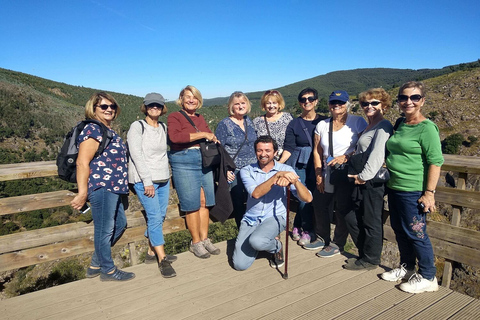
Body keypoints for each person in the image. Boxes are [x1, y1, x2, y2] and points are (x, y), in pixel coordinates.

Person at [381, 81, 443, 294]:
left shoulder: (427, 128)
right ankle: (407, 268)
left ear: (422, 101)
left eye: (414, 97)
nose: (408, 101)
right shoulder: (400, 123)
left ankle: (428, 276)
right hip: (395, 186)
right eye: (403, 97)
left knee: (417, 233)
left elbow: (436, 161)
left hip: (413, 190)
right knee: (400, 230)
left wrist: (429, 193)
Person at [71, 92, 135, 281]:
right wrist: (83, 193)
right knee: (104, 229)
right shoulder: (93, 129)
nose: (109, 109)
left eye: (112, 106)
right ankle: (107, 270)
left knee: (120, 224)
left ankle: (95, 264)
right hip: (103, 187)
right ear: (94, 109)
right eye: (104, 107)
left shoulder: (106, 129)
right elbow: (82, 162)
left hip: (114, 188)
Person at [232, 136, 313, 271]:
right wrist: (276, 176)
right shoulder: (247, 170)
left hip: (275, 217)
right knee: (240, 265)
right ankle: (264, 242)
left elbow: (308, 198)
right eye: (259, 150)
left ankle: (276, 246)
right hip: (251, 218)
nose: (263, 154)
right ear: (255, 152)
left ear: (275, 153)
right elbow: (256, 194)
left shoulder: (286, 169)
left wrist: (295, 182)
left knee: (256, 241)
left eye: (268, 150)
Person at [306, 90, 367, 257]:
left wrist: (345, 157)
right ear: (329, 105)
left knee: (342, 209)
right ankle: (321, 237)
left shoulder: (358, 122)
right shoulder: (322, 125)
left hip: (346, 172)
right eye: (333, 103)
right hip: (326, 172)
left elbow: (363, 148)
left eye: (340, 103)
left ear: (347, 104)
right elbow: (317, 152)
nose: (337, 106)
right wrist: (319, 174)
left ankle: (337, 243)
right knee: (320, 204)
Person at [167, 85, 220, 259]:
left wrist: (210, 136)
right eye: (187, 97)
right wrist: (202, 134)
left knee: (205, 201)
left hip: (204, 160)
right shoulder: (174, 116)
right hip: (183, 160)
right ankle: (195, 242)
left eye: (194, 97)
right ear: (181, 99)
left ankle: (205, 239)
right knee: (192, 203)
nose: (191, 100)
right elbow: (175, 137)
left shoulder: (200, 117)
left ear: (199, 101)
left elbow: (209, 134)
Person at [343, 88, 393, 270]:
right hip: (361, 178)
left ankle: (371, 259)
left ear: (384, 106)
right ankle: (364, 254)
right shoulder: (369, 125)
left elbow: (378, 154)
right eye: (365, 103)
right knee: (352, 217)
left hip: (370, 180)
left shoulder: (383, 126)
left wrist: (363, 177)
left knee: (371, 220)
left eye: (374, 103)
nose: (369, 106)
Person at [127, 93, 177, 278]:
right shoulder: (137, 126)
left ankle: (151, 252)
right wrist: (146, 181)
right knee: (155, 217)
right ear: (145, 107)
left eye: (158, 105)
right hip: (145, 181)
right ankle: (162, 259)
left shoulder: (163, 127)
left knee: (161, 215)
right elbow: (136, 155)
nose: (154, 108)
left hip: (163, 179)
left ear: (162, 108)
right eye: (151, 105)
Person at [279, 88, 327, 246]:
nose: (307, 101)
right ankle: (307, 230)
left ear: (316, 101)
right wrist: (278, 165)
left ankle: (297, 227)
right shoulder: (294, 124)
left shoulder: (325, 121)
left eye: (310, 98)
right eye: (303, 99)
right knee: (303, 195)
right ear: (299, 102)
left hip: (319, 163)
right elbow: (289, 147)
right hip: (299, 163)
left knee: (312, 196)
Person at [215, 91, 257, 227]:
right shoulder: (224, 124)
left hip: (253, 168)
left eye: (243, 103)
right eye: (236, 104)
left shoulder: (249, 121)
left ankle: (256, 230)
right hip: (235, 170)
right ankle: (243, 232)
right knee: (238, 203)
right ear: (231, 107)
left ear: (247, 105)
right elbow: (218, 150)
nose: (240, 106)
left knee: (254, 199)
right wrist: (226, 169)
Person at [252, 90, 293, 159]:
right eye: (268, 103)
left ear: (279, 104)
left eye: (274, 103)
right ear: (264, 105)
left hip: (287, 160)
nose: (271, 106)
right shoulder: (257, 122)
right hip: (265, 160)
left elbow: (292, 143)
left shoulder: (288, 118)